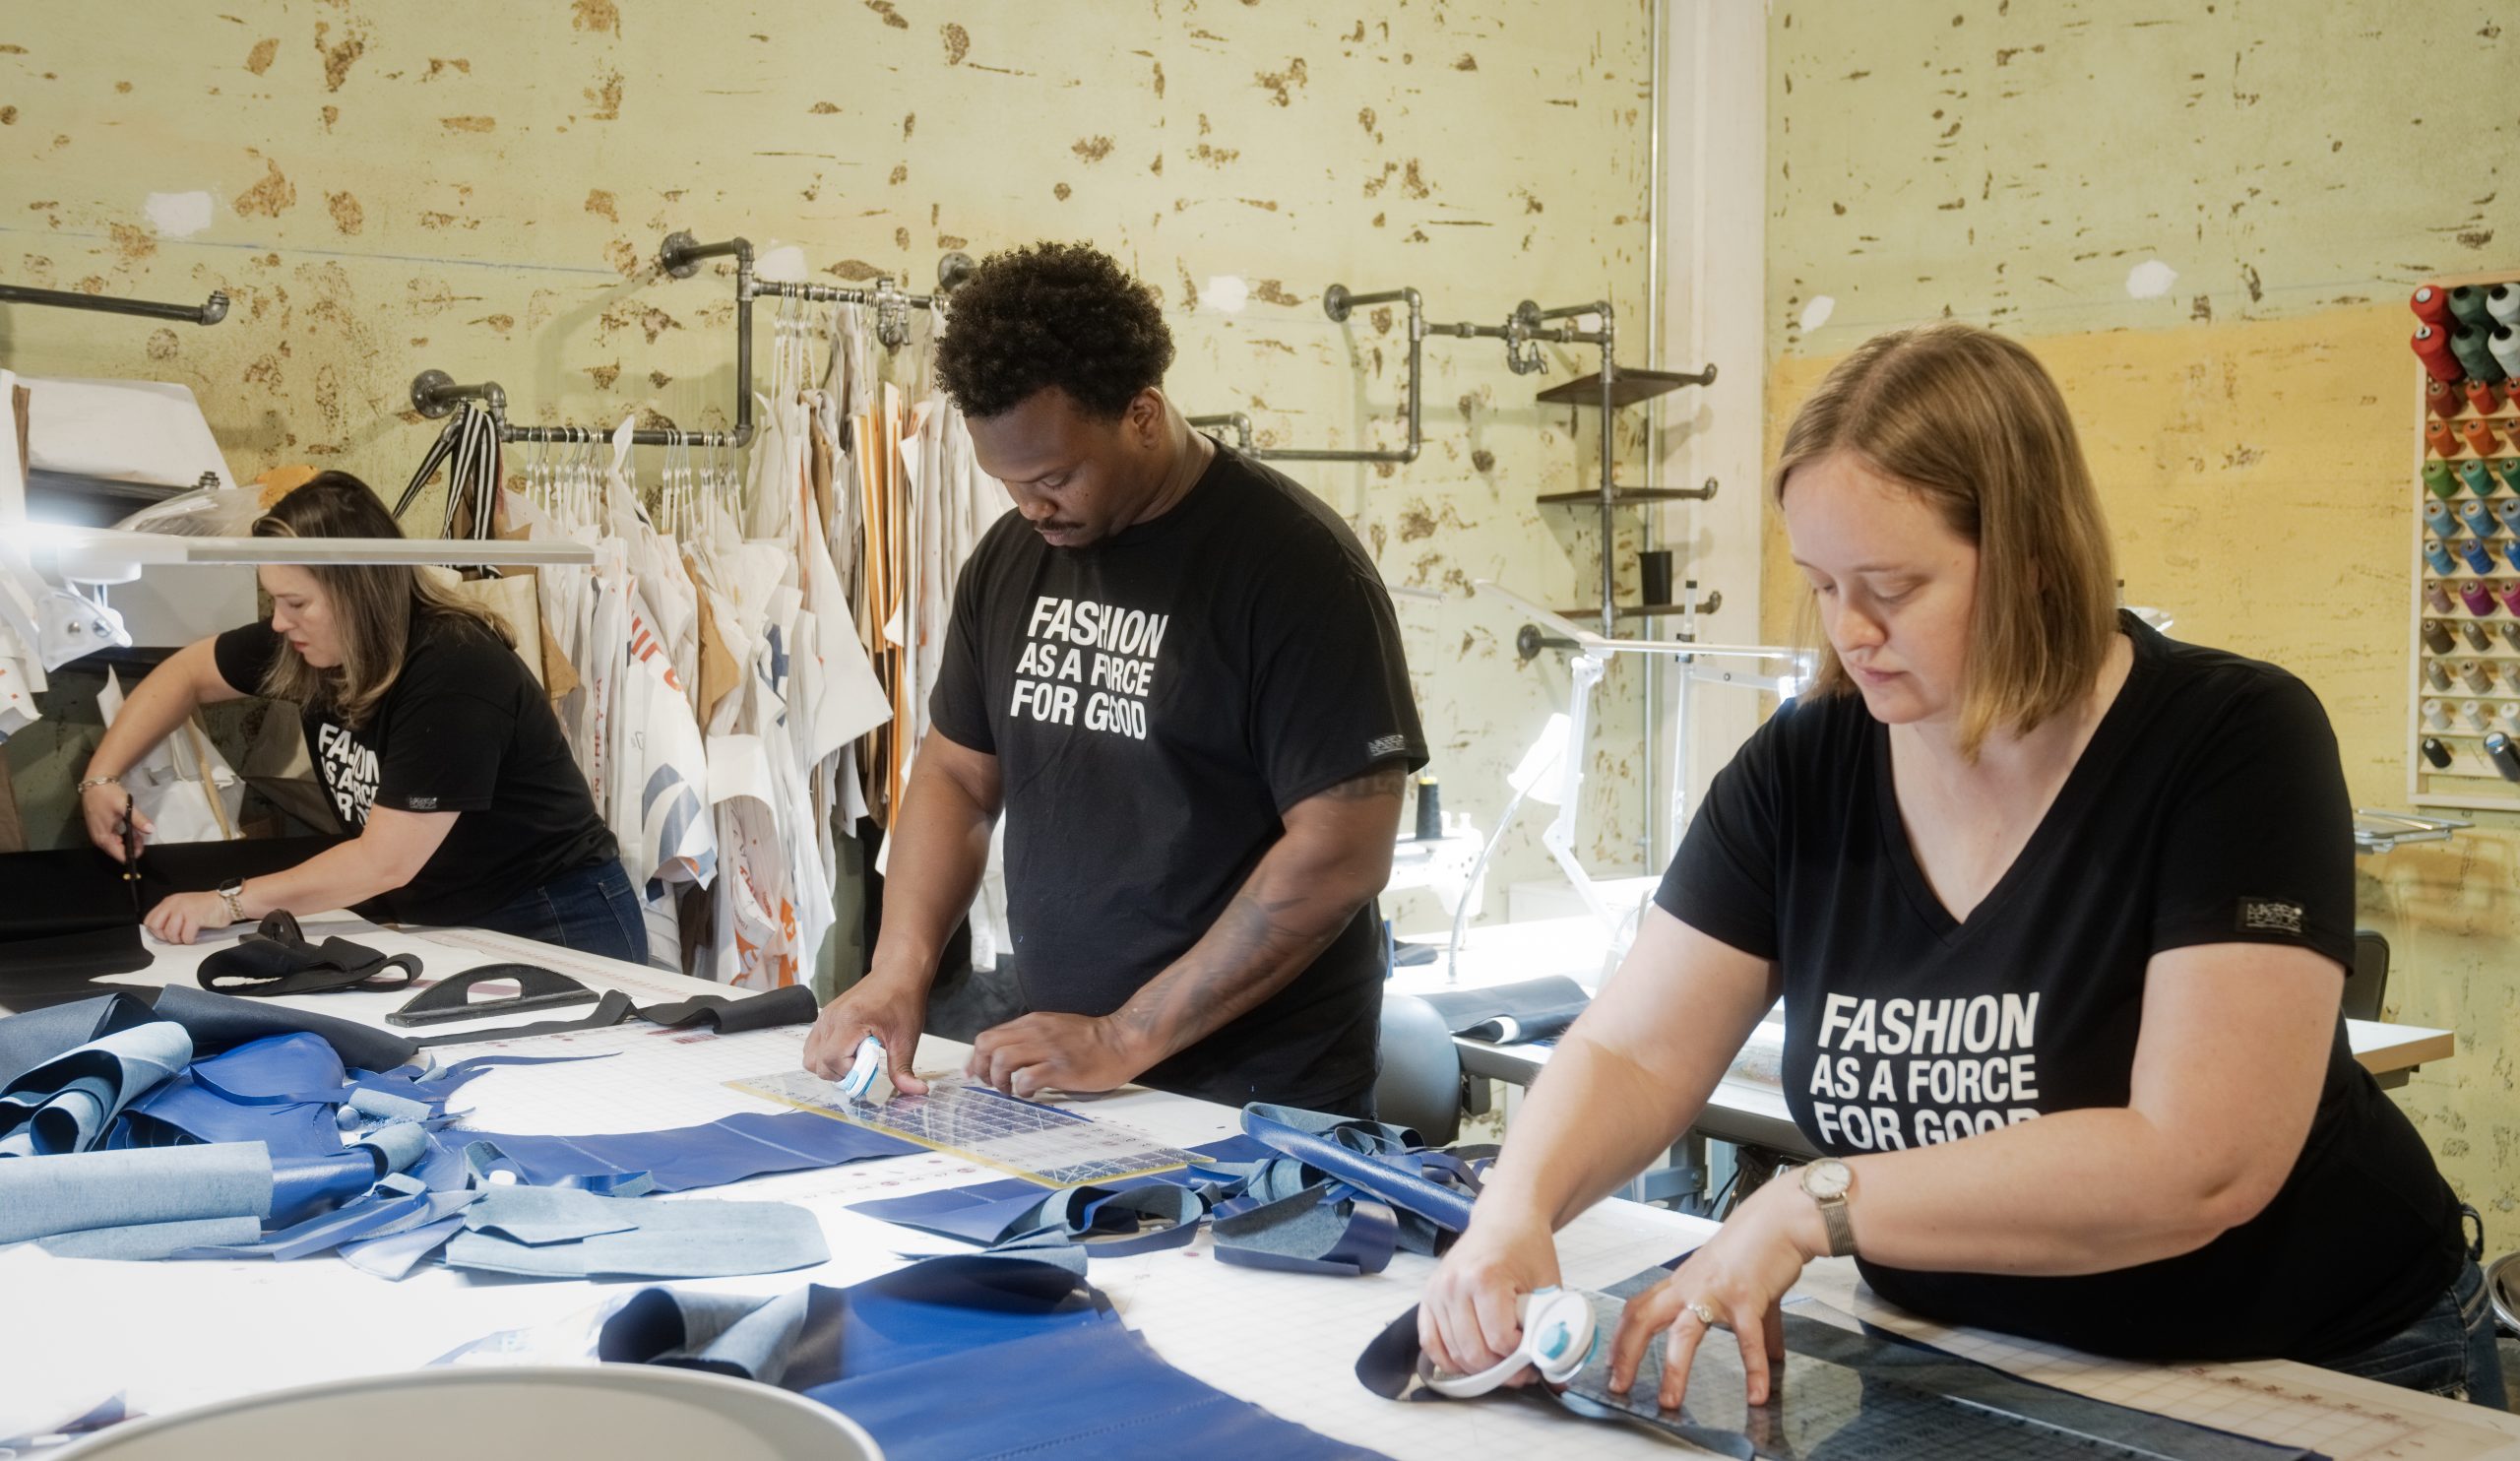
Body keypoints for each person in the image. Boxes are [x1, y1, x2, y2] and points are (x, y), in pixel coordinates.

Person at [1421, 323, 2503, 1408]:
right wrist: (1516, 1206)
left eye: (1892, 585)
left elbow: (2200, 1159)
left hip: (2299, 1366)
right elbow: (1636, 1050)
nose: (1850, 629)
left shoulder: (2229, 741)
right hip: (1967, 1357)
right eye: (1821, 582)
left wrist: (1813, 1204)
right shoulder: (1805, 765)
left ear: (2033, 557)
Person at [800, 241, 1425, 1115]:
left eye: (1054, 477)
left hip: (1254, 1093)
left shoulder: (1294, 570)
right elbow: (956, 776)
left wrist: (1126, 1035)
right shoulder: (1012, 558)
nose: (1030, 508)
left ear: (1141, 414)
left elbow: (1342, 852)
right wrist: (895, 972)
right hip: (1065, 1067)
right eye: (1007, 482)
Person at [78, 473, 646, 963]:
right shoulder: (309, 645)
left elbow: (384, 862)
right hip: (448, 914)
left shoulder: (454, 673)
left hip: (555, 918)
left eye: (296, 603)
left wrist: (226, 902)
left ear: (359, 592)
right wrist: (101, 778)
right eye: (274, 600)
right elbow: (186, 674)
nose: (278, 622)